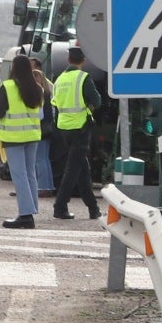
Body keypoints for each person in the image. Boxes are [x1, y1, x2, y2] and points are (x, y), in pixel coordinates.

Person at [0, 51, 48, 230]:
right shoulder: (38, 88)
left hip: (13, 137)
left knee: (19, 175)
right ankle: (31, 210)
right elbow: (40, 114)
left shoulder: (8, 87)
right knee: (30, 173)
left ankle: (25, 214)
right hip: (32, 136)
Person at [50, 47, 103, 220]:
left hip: (64, 128)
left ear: (68, 60)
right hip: (80, 128)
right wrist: (88, 106)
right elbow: (97, 100)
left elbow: (55, 103)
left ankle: (93, 209)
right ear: (83, 60)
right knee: (73, 170)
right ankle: (60, 206)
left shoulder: (59, 79)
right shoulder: (83, 78)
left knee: (82, 170)